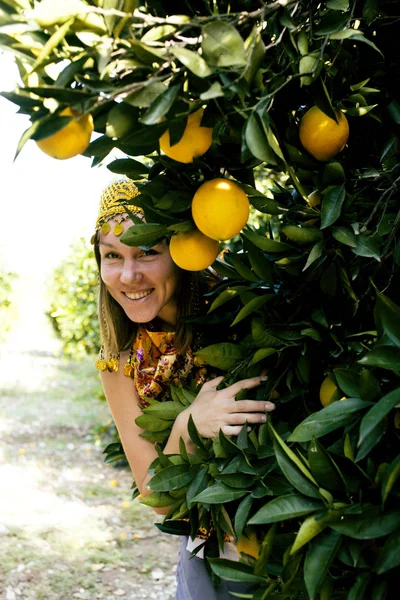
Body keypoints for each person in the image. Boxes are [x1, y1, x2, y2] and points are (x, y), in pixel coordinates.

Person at [92, 179, 276, 599]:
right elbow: (157, 497)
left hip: (287, 533)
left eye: (147, 253)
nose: (128, 275)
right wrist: (189, 424)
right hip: (209, 552)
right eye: (112, 257)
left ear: (177, 252)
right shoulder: (119, 363)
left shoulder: (239, 310)